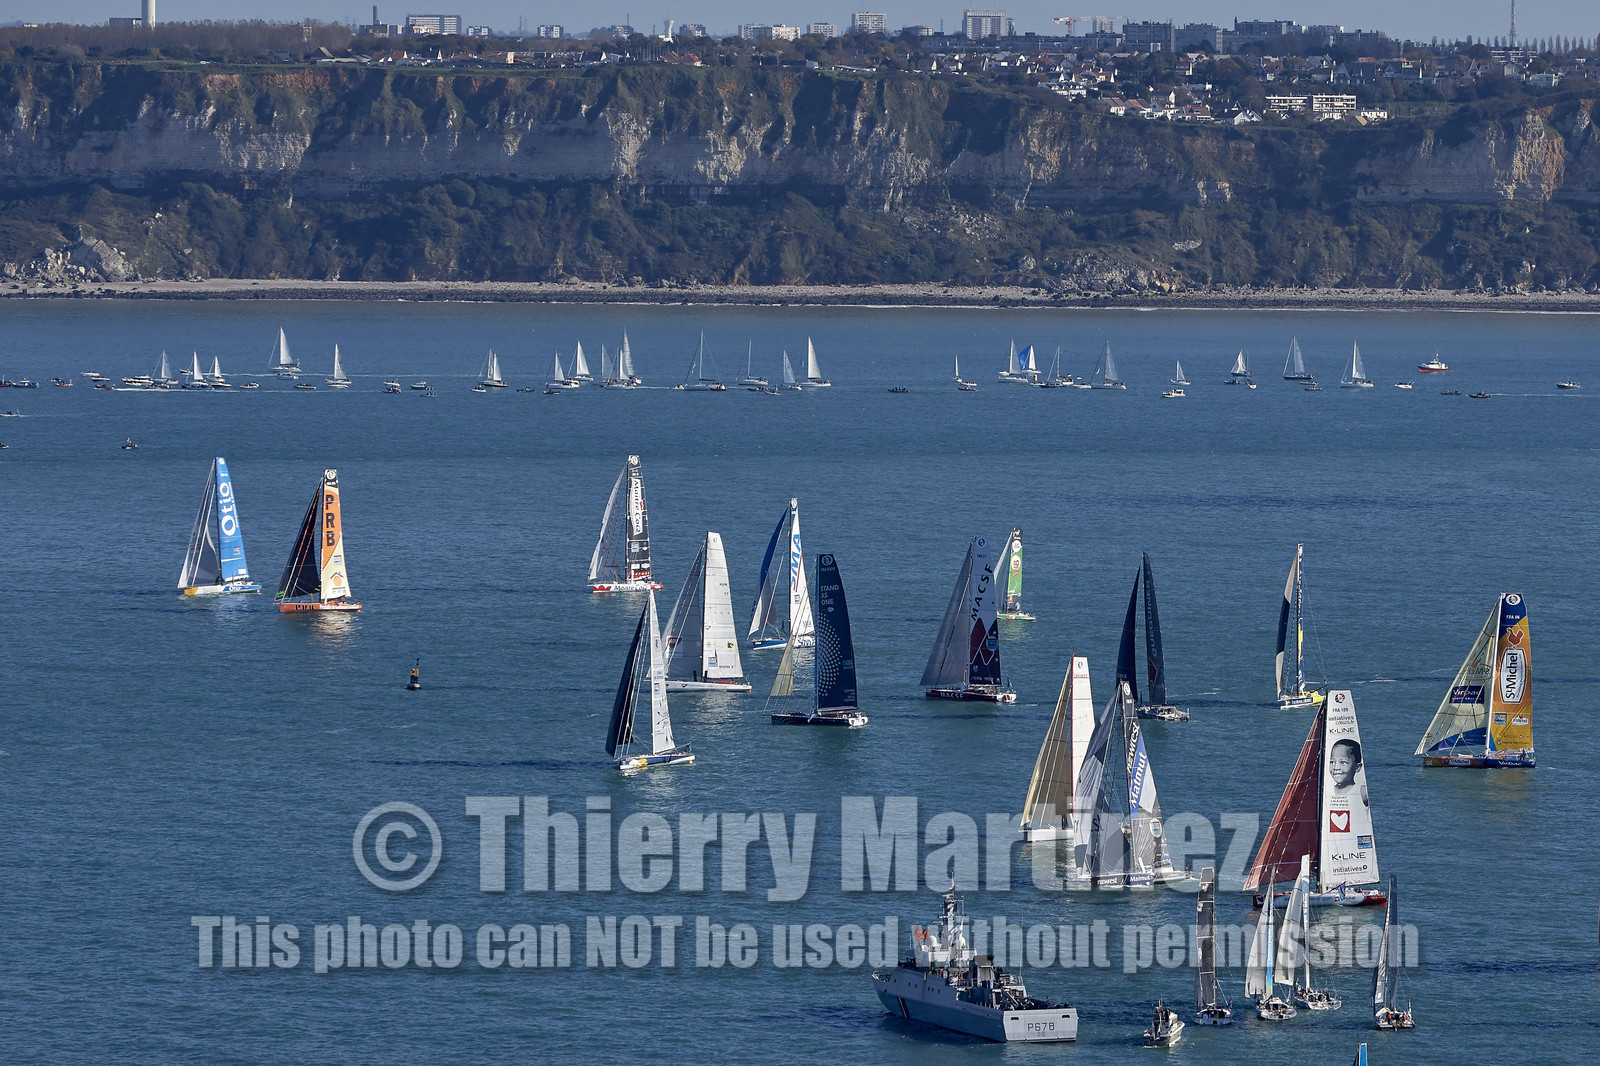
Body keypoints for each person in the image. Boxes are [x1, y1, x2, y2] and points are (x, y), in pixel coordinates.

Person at [1327, 738, 1368, 807]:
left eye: (1343, 762)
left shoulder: (1362, 791)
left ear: (1357, 767)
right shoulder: (1327, 790)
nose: (1336, 767)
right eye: (1332, 762)